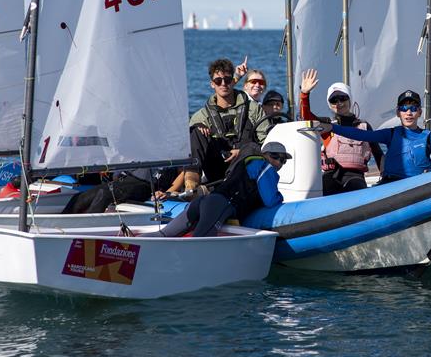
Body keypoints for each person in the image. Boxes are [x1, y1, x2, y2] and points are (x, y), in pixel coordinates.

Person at [142, 141, 288, 237]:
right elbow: (271, 200)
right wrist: (281, 199)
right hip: (220, 206)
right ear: (266, 155)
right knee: (199, 242)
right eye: (277, 157)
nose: (280, 163)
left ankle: (128, 246)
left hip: (204, 202)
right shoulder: (264, 165)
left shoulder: (246, 162)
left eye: (284, 160)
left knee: (163, 235)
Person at [319, 90, 431, 184]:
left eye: (413, 108)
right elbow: (362, 135)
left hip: (417, 186)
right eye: (404, 108)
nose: (409, 112)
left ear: (419, 112)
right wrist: (333, 127)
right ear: (398, 113)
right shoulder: (390, 134)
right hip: (391, 186)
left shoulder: (430, 138)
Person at [187, 58, 269, 193]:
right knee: (194, 131)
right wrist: (198, 128)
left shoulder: (253, 109)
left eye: (227, 80)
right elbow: (191, 149)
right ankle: (191, 188)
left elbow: (266, 142)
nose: (223, 84)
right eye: (218, 81)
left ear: (233, 81)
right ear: (212, 84)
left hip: (244, 167)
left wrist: (242, 151)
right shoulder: (201, 116)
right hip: (217, 167)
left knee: (252, 146)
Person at [299, 68, 383, 195]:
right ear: (330, 105)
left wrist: (385, 176)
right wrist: (304, 94)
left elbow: (378, 154)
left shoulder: (364, 126)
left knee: (355, 186)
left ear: (350, 100)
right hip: (331, 176)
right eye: (334, 100)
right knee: (327, 185)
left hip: (355, 177)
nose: (339, 103)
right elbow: (306, 118)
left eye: (343, 98)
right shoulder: (327, 125)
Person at [61, 167, 178, 214]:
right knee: (81, 197)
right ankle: (60, 224)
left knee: (105, 194)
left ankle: (82, 231)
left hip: (147, 186)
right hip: (127, 179)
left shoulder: (176, 144)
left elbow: (184, 171)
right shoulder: (148, 139)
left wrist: (168, 191)